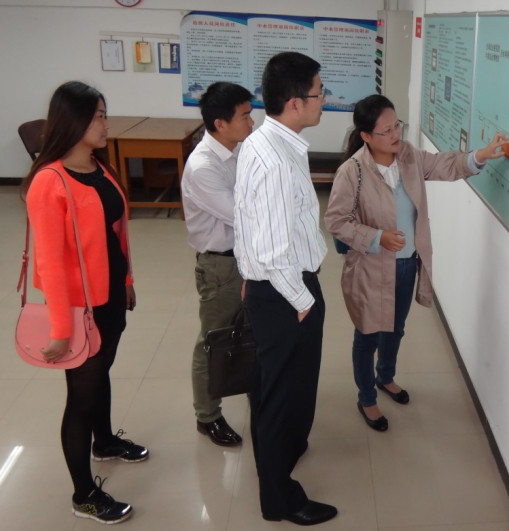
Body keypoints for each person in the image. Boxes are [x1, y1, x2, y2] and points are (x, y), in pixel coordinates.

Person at [324, 94, 509, 432]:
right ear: (366, 136)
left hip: (407, 265)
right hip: (370, 269)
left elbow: (444, 165)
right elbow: (336, 221)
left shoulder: (409, 157)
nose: (396, 134)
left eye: (397, 126)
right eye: (386, 131)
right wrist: (377, 237)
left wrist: (480, 156)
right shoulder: (352, 171)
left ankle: (386, 377)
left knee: (395, 328)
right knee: (368, 335)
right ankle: (366, 397)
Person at [21, 81, 148, 525]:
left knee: (101, 372)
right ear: (73, 121)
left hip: (108, 295)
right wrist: (60, 330)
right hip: (77, 309)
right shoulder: (49, 182)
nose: (106, 124)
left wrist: (127, 279)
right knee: (80, 396)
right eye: (99, 116)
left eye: (104, 115)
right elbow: (51, 265)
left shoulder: (99, 167)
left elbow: (116, 234)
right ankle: (83, 495)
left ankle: (105, 442)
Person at [234, 52, 337, 526]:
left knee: (275, 389)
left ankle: (281, 457)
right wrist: (301, 302)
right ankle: (280, 500)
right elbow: (274, 251)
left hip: (273, 286)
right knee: (281, 397)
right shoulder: (275, 160)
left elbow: (249, 223)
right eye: (319, 93)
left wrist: (251, 276)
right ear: (295, 102)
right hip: (286, 292)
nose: (323, 100)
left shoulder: (264, 143)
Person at [181, 81, 254, 446]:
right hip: (221, 267)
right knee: (213, 341)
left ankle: (253, 388)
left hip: (248, 258)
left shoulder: (239, 149)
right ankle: (207, 416)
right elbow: (242, 214)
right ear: (220, 123)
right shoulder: (202, 166)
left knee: (250, 332)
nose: (251, 122)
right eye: (244, 116)